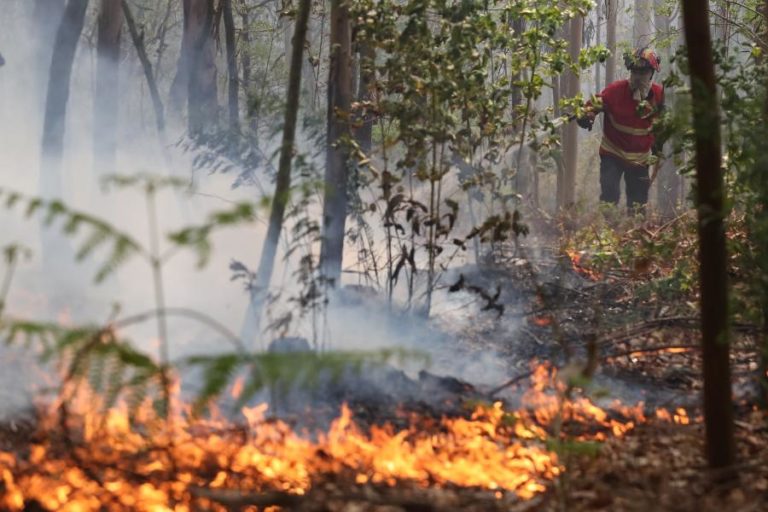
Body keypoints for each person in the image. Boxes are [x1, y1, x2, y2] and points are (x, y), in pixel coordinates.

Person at [577, 47, 665, 213]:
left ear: (652, 74)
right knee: (609, 196)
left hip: (640, 159)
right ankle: (607, 232)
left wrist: (658, 144)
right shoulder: (615, 91)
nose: (638, 77)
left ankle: (634, 235)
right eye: (635, 72)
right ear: (630, 72)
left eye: (643, 72)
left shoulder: (659, 97)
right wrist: (586, 115)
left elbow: (661, 125)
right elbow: (594, 105)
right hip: (613, 153)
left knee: (638, 204)